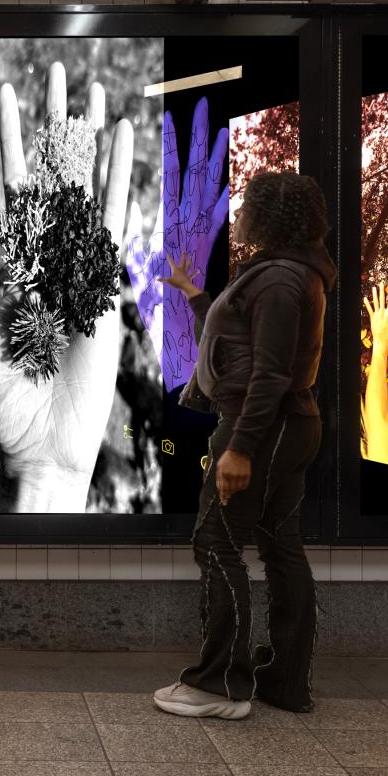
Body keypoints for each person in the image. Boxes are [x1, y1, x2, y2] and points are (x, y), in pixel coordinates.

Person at [152, 171, 337, 719]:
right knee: (280, 546)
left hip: (265, 426)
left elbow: (270, 373)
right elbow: (243, 339)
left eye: (249, 207)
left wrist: (240, 449)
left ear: (267, 216)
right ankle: (283, 680)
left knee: (216, 541)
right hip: (286, 426)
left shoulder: (280, 279)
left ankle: (217, 686)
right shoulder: (289, 272)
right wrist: (196, 297)